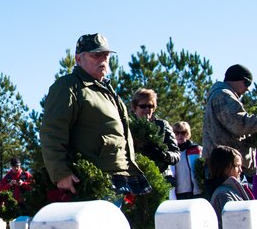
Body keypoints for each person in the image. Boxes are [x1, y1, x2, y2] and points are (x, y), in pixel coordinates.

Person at [40, 33, 144, 197]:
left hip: (119, 180)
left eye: (106, 55)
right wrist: (60, 173)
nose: (103, 59)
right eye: (96, 55)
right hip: (90, 182)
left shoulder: (107, 91)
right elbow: (52, 131)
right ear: (78, 59)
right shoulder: (68, 86)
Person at [202, 64, 257, 177]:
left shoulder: (222, 95)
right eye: (246, 83)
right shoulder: (223, 95)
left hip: (227, 165)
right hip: (226, 167)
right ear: (235, 79)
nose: (247, 89)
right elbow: (240, 125)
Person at [129, 88, 180, 178]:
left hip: (158, 176)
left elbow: (176, 154)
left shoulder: (162, 125)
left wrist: (164, 156)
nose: (147, 109)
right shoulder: (128, 127)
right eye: (143, 106)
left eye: (150, 106)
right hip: (133, 176)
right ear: (134, 107)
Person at [172, 121, 203, 199]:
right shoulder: (170, 152)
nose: (180, 135)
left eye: (183, 132)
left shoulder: (197, 149)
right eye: (176, 133)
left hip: (195, 192)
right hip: (177, 193)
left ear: (187, 133)